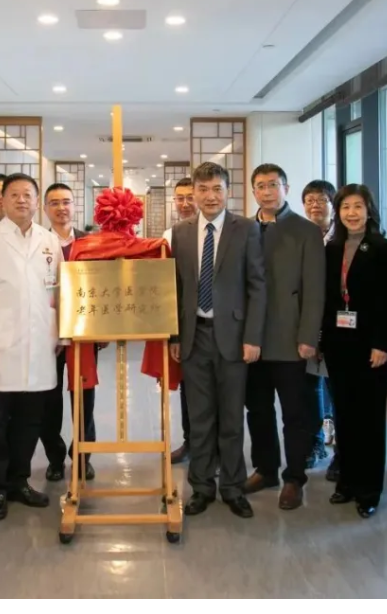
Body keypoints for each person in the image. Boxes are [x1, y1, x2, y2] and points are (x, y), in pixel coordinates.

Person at [170, 162, 266, 519]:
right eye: (203, 189)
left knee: (231, 417)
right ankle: (201, 487)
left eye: (217, 189)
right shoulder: (180, 232)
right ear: (194, 193)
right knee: (200, 418)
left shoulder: (246, 228)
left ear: (228, 191)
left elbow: (257, 286)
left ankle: (232, 487)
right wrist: (175, 336)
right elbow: (175, 288)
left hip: (234, 337)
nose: (210, 196)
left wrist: (253, 336)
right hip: (194, 336)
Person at [0, 173, 61, 520]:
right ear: (1, 201)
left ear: (37, 202)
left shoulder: (50, 241)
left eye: (28, 195)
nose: (22, 200)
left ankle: (20, 480)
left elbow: (58, 292)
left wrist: (60, 335)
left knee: (29, 421)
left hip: (40, 345)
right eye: (14, 195)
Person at [244, 164, 325, 510]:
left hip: (291, 339)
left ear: (286, 188)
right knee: (257, 409)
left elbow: (315, 288)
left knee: (294, 413)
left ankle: (294, 477)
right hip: (252, 339)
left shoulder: (306, 230)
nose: (267, 192)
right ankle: (265, 469)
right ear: (253, 191)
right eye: (261, 186)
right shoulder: (244, 229)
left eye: (273, 185)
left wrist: (308, 336)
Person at [321, 184, 387, 518]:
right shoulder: (332, 248)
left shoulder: (382, 247)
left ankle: (369, 490)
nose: (351, 213)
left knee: (369, 418)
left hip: (370, 345)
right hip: (339, 343)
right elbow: (328, 298)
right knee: (345, 414)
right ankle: (348, 482)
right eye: (345, 207)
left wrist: (382, 343)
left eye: (358, 206)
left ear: (369, 210)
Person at [38, 182, 97, 482]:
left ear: (75, 206)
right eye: (54, 203)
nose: (61, 208)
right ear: (45, 208)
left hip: (82, 334)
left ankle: (83, 456)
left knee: (84, 398)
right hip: (46, 334)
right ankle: (55, 457)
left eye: (66, 202)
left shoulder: (91, 243)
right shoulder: (37, 241)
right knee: (48, 399)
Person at [301, 179, 338, 474]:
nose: (315, 205)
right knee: (310, 388)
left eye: (322, 200)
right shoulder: (300, 237)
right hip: (307, 325)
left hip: (340, 325)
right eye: (310, 200)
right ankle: (314, 444)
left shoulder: (344, 238)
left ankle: (341, 450)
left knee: (338, 388)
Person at [162, 177, 197, 464]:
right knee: (188, 387)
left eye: (190, 197)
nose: (185, 204)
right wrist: (173, 334)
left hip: (219, 323)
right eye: (180, 198)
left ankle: (215, 449)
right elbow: (168, 287)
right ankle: (191, 442)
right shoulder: (170, 235)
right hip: (185, 325)